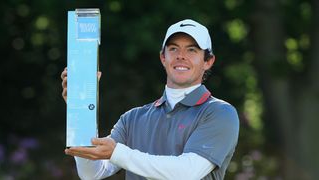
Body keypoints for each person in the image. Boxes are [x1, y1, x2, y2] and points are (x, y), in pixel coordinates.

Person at [61, 19, 239, 180]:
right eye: (173, 48)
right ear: (163, 57)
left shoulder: (220, 113)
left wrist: (118, 153)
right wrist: (80, 110)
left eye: (192, 49)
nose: (181, 56)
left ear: (208, 61)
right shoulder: (132, 118)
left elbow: (187, 173)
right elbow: (92, 173)